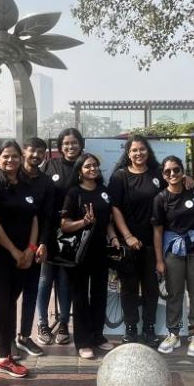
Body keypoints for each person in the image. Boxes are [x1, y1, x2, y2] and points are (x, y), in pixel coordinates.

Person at [0, 140, 47, 386]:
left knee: (9, 308)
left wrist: (29, 249)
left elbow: (35, 217)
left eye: (15, 156)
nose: (10, 161)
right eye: (6, 156)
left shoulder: (26, 184)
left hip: (22, 258)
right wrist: (14, 251)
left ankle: (4, 358)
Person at [59, 152, 120, 359]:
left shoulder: (103, 191)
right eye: (87, 166)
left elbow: (109, 221)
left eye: (95, 165)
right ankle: (82, 341)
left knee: (100, 295)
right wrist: (83, 222)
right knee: (80, 297)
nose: (92, 169)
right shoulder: (74, 193)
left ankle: (97, 336)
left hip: (100, 252)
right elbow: (64, 225)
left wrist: (113, 238)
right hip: (79, 254)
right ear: (79, 171)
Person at [108, 134, 163, 347]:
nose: (138, 153)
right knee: (129, 288)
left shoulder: (158, 174)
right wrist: (128, 237)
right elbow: (115, 208)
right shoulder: (119, 177)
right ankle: (131, 328)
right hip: (127, 244)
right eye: (134, 150)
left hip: (153, 243)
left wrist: (188, 179)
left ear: (148, 151)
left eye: (142, 149)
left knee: (151, 288)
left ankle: (149, 328)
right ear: (128, 153)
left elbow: (176, 188)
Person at [151, 155, 194, 357]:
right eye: (168, 171)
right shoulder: (160, 199)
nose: (172, 174)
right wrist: (159, 260)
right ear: (163, 175)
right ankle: (173, 333)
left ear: (183, 171)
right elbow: (157, 231)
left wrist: (193, 179)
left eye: (176, 170)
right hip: (173, 250)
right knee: (175, 293)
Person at [36, 128, 83, 347]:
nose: (70, 147)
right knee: (45, 280)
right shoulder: (50, 165)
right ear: (60, 146)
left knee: (65, 280)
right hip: (48, 231)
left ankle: (64, 324)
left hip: (73, 232)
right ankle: (42, 323)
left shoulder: (85, 164)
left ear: (80, 144)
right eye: (66, 143)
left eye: (74, 143)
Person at [14, 137, 53, 358]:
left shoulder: (46, 183)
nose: (36, 155)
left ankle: (25, 336)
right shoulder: (11, 175)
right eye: (32, 150)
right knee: (8, 298)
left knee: (31, 292)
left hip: (34, 245)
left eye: (40, 152)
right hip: (9, 246)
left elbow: (47, 216)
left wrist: (43, 243)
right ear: (23, 151)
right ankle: (6, 339)